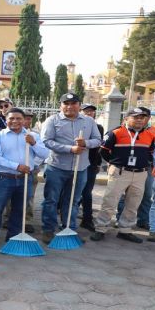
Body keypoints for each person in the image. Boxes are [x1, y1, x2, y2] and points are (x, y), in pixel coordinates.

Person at [40, 93, 102, 244]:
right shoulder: (52, 120)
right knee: (51, 200)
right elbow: (46, 141)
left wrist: (85, 143)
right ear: (61, 105)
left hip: (80, 168)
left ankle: (69, 229)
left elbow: (98, 140)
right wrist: (70, 149)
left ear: (79, 105)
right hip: (57, 167)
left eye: (73, 103)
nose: (69, 106)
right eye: (66, 103)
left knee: (73, 200)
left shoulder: (88, 121)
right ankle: (48, 229)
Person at [0, 108, 48, 248]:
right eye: (11, 118)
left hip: (25, 178)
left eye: (18, 118)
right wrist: (16, 166)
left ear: (24, 120)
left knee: (19, 208)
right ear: (6, 120)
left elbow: (45, 154)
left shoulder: (33, 136)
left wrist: (34, 144)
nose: (15, 121)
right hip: (3, 178)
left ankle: (13, 236)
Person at [90, 107, 155, 244]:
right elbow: (104, 151)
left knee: (133, 203)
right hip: (120, 172)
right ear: (126, 118)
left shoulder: (149, 135)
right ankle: (101, 228)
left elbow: (150, 153)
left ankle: (125, 230)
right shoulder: (116, 133)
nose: (139, 120)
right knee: (110, 201)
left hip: (140, 173)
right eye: (135, 117)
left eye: (142, 117)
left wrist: (146, 163)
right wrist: (114, 163)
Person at [116, 107, 155, 229]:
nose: (141, 119)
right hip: (125, 168)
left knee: (146, 195)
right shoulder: (122, 130)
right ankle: (120, 219)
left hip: (146, 168)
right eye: (138, 117)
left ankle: (143, 220)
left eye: (144, 116)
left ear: (148, 118)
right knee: (124, 195)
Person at [78, 103, 103, 232]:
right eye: (86, 111)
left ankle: (87, 219)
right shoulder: (75, 125)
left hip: (90, 165)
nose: (89, 113)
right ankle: (67, 218)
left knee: (87, 193)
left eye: (92, 111)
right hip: (75, 163)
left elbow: (97, 147)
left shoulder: (98, 127)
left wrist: (97, 164)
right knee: (72, 192)